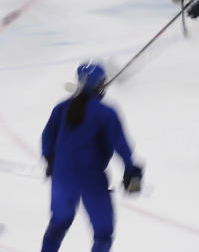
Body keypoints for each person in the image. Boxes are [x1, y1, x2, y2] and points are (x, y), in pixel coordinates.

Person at [40, 62, 144, 252]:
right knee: (103, 232)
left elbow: (47, 137)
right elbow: (121, 146)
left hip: (62, 177)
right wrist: (132, 172)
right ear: (100, 85)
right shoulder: (106, 113)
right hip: (91, 179)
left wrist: (50, 160)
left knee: (59, 222)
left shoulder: (61, 108)